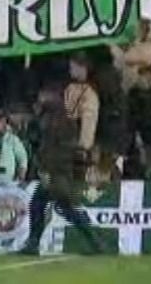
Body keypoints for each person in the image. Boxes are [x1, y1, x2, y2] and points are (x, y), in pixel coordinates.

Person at [19, 57, 102, 256]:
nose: (39, 100)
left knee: (47, 204)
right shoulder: (57, 118)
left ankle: (33, 244)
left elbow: (55, 150)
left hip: (57, 171)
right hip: (60, 169)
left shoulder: (57, 121)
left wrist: (47, 170)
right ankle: (95, 243)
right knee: (62, 206)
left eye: (41, 96)